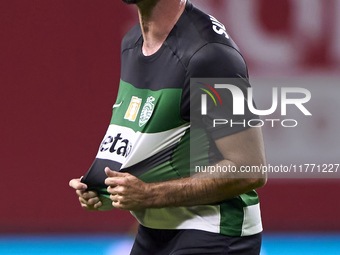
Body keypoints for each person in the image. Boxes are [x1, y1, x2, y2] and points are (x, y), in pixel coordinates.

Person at [69, 0, 267, 254]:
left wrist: (149, 194)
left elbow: (249, 169)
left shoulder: (211, 54)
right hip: (155, 229)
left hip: (215, 231)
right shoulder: (133, 42)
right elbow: (145, 136)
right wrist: (107, 191)